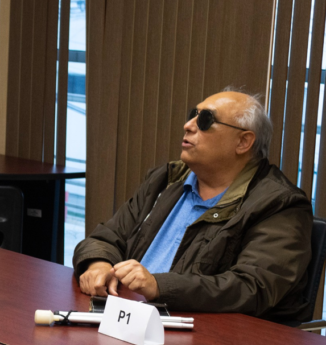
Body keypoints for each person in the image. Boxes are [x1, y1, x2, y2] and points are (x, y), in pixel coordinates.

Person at [73, 89, 312, 322]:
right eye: (192, 115)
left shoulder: (279, 204)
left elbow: (252, 287)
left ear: (243, 142)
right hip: (127, 319)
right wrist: (98, 263)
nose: (188, 125)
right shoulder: (166, 180)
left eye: (206, 120)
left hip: (210, 340)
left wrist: (159, 286)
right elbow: (106, 237)